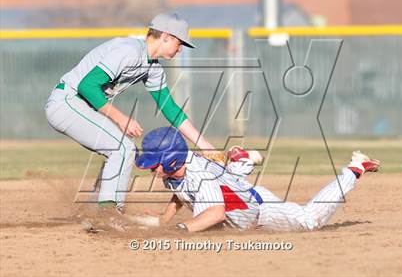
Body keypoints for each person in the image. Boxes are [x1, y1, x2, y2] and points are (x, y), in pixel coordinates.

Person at [44, 13, 215, 216]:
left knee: (124, 150)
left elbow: (170, 109)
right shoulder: (129, 51)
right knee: (122, 149)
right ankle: (108, 214)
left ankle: (92, 208)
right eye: (179, 43)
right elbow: (87, 86)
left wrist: (205, 146)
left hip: (79, 106)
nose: (180, 49)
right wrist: (120, 118)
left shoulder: (153, 68)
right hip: (67, 102)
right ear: (166, 36)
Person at [135, 127, 381, 232]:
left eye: (154, 163)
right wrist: (165, 218)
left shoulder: (199, 176)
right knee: (231, 180)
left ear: (171, 160)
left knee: (309, 221)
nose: (151, 169)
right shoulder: (175, 170)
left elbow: (216, 214)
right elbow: (181, 191)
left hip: (261, 211)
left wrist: (182, 228)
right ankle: (240, 160)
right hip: (237, 191)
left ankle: (354, 168)